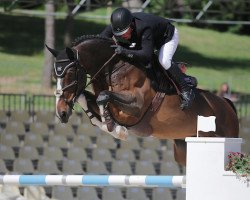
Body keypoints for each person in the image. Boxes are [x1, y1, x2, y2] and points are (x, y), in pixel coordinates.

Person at [100, 7, 195, 110]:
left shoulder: (144, 27)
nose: (122, 36)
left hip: (167, 37)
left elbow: (146, 55)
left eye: (124, 33)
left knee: (164, 61)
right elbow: (99, 40)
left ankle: (186, 88)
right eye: (119, 34)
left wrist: (124, 51)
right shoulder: (118, 25)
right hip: (148, 39)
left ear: (131, 25)